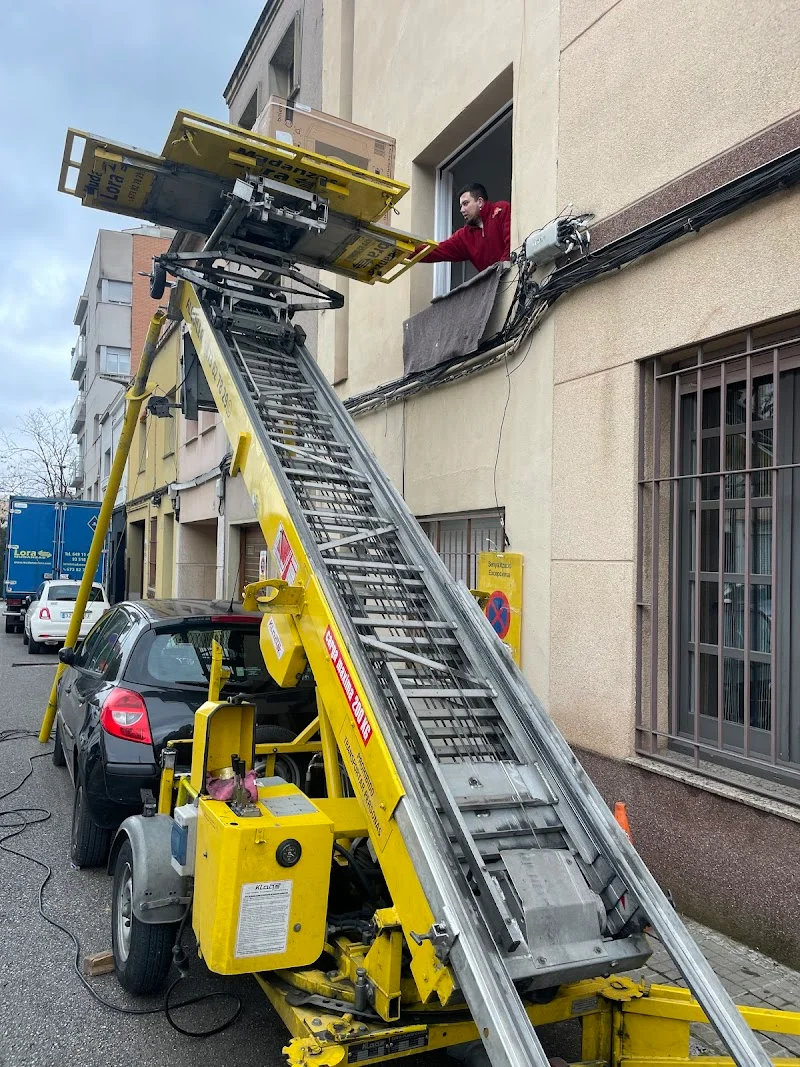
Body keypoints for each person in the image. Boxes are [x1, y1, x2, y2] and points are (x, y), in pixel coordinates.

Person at [415, 183, 511, 272]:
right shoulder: (464, 236)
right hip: (496, 286)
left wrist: (501, 269)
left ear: (480, 202)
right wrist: (405, 251)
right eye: (461, 206)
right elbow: (437, 251)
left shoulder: (500, 210)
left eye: (465, 204)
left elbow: (511, 242)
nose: (462, 210)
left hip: (514, 278)